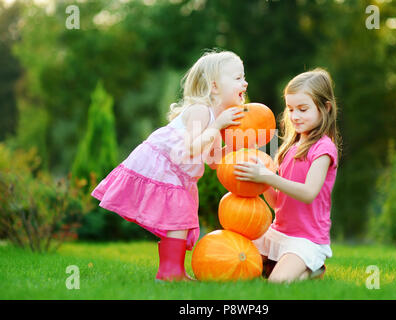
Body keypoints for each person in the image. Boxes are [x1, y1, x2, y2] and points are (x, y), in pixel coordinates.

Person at [91, 50, 248, 281]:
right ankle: (170, 272)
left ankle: (171, 271)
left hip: (178, 173)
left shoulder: (215, 120)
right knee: (179, 215)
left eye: (243, 77)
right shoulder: (200, 111)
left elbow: (214, 162)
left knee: (179, 217)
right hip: (162, 164)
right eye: (237, 78)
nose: (244, 82)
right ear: (214, 87)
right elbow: (193, 148)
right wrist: (218, 127)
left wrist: (234, 147)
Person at [234, 68, 341, 283]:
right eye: (291, 109)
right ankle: (281, 265)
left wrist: (269, 177)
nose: (295, 116)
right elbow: (277, 203)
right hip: (278, 233)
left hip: (306, 239)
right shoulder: (290, 148)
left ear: (325, 108)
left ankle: (312, 269)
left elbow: (308, 193)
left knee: (276, 284)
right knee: (238, 263)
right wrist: (261, 180)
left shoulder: (324, 149)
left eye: (303, 109)